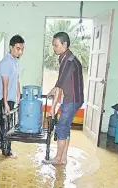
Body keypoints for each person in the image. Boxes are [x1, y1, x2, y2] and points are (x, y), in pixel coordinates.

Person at [46, 32, 84, 165]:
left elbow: (60, 86)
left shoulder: (67, 61)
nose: (54, 48)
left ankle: (58, 159)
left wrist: (52, 108)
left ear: (64, 44)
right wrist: (52, 91)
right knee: (65, 127)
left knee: (61, 127)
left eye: (56, 45)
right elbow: (60, 83)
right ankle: (63, 158)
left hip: (71, 99)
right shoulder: (68, 58)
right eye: (53, 45)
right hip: (74, 99)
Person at [0, 35, 25, 156]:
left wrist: (19, 96)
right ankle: (6, 152)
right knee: (7, 126)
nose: (20, 51)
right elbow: (5, 84)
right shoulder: (5, 62)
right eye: (17, 48)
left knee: (2, 123)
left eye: (22, 49)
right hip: (2, 98)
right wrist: (5, 103)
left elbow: (17, 80)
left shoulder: (15, 61)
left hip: (9, 98)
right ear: (11, 47)